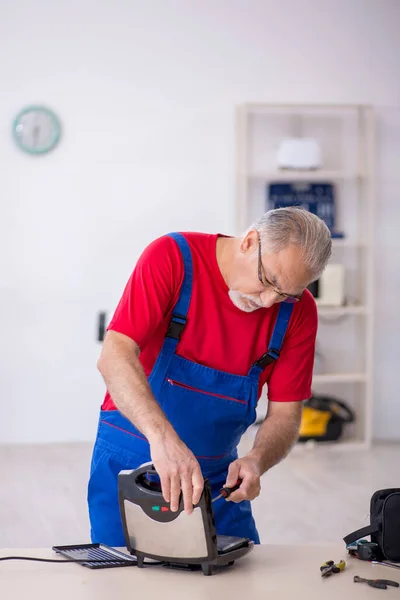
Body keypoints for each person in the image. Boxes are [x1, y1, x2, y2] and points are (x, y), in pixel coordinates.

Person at [87, 206, 332, 546]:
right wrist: (163, 440)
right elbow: (113, 356)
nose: (268, 302)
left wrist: (257, 460)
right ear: (249, 242)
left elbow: (287, 414)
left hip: (217, 486)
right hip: (131, 465)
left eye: (286, 293)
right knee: (125, 582)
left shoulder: (298, 312)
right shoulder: (171, 257)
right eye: (269, 281)